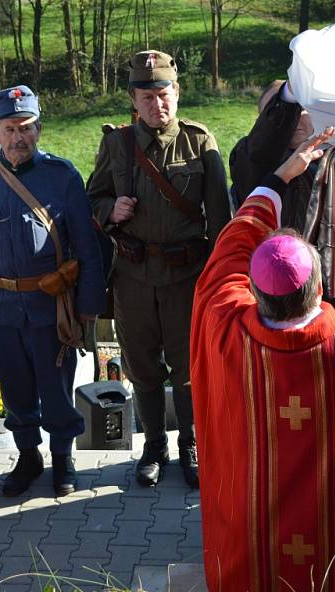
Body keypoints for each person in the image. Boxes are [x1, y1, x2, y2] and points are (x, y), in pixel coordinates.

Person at [190, 127, 335, 592]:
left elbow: (229, 250)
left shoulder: (224, 328)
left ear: (255, 291)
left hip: (253, 554)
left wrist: (281, 176)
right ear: (320, 288)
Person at [87, 50, 231, 488]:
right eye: (147, 96)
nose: (157, 104)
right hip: (132, 276)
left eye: (163, 94)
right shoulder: (117, 144)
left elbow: (221, 219)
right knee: (142, 367)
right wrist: (112, 209)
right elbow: (91, 199)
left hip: (186, 278)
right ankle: (153, 446)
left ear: (177, 93)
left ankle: (190, 444)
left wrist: (219, 281)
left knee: (188, 369)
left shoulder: (199, 142)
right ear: (134, 98)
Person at [0, 85, 105, 497]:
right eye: (9, 128)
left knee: (56, 389)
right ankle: (27, 455)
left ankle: (63, 457)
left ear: (39, 129)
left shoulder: (63, 176)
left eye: (26, 127)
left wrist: (88, 309)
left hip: (49, 307)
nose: (18, 137)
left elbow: (87, 249)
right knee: (14, 389)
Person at [229, 79, 314, 228]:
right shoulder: (245, 154)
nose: (294, 118)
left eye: (302, 109)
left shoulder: (330, 158)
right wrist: (287, 97)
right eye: (277, 112)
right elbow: (258, 153)